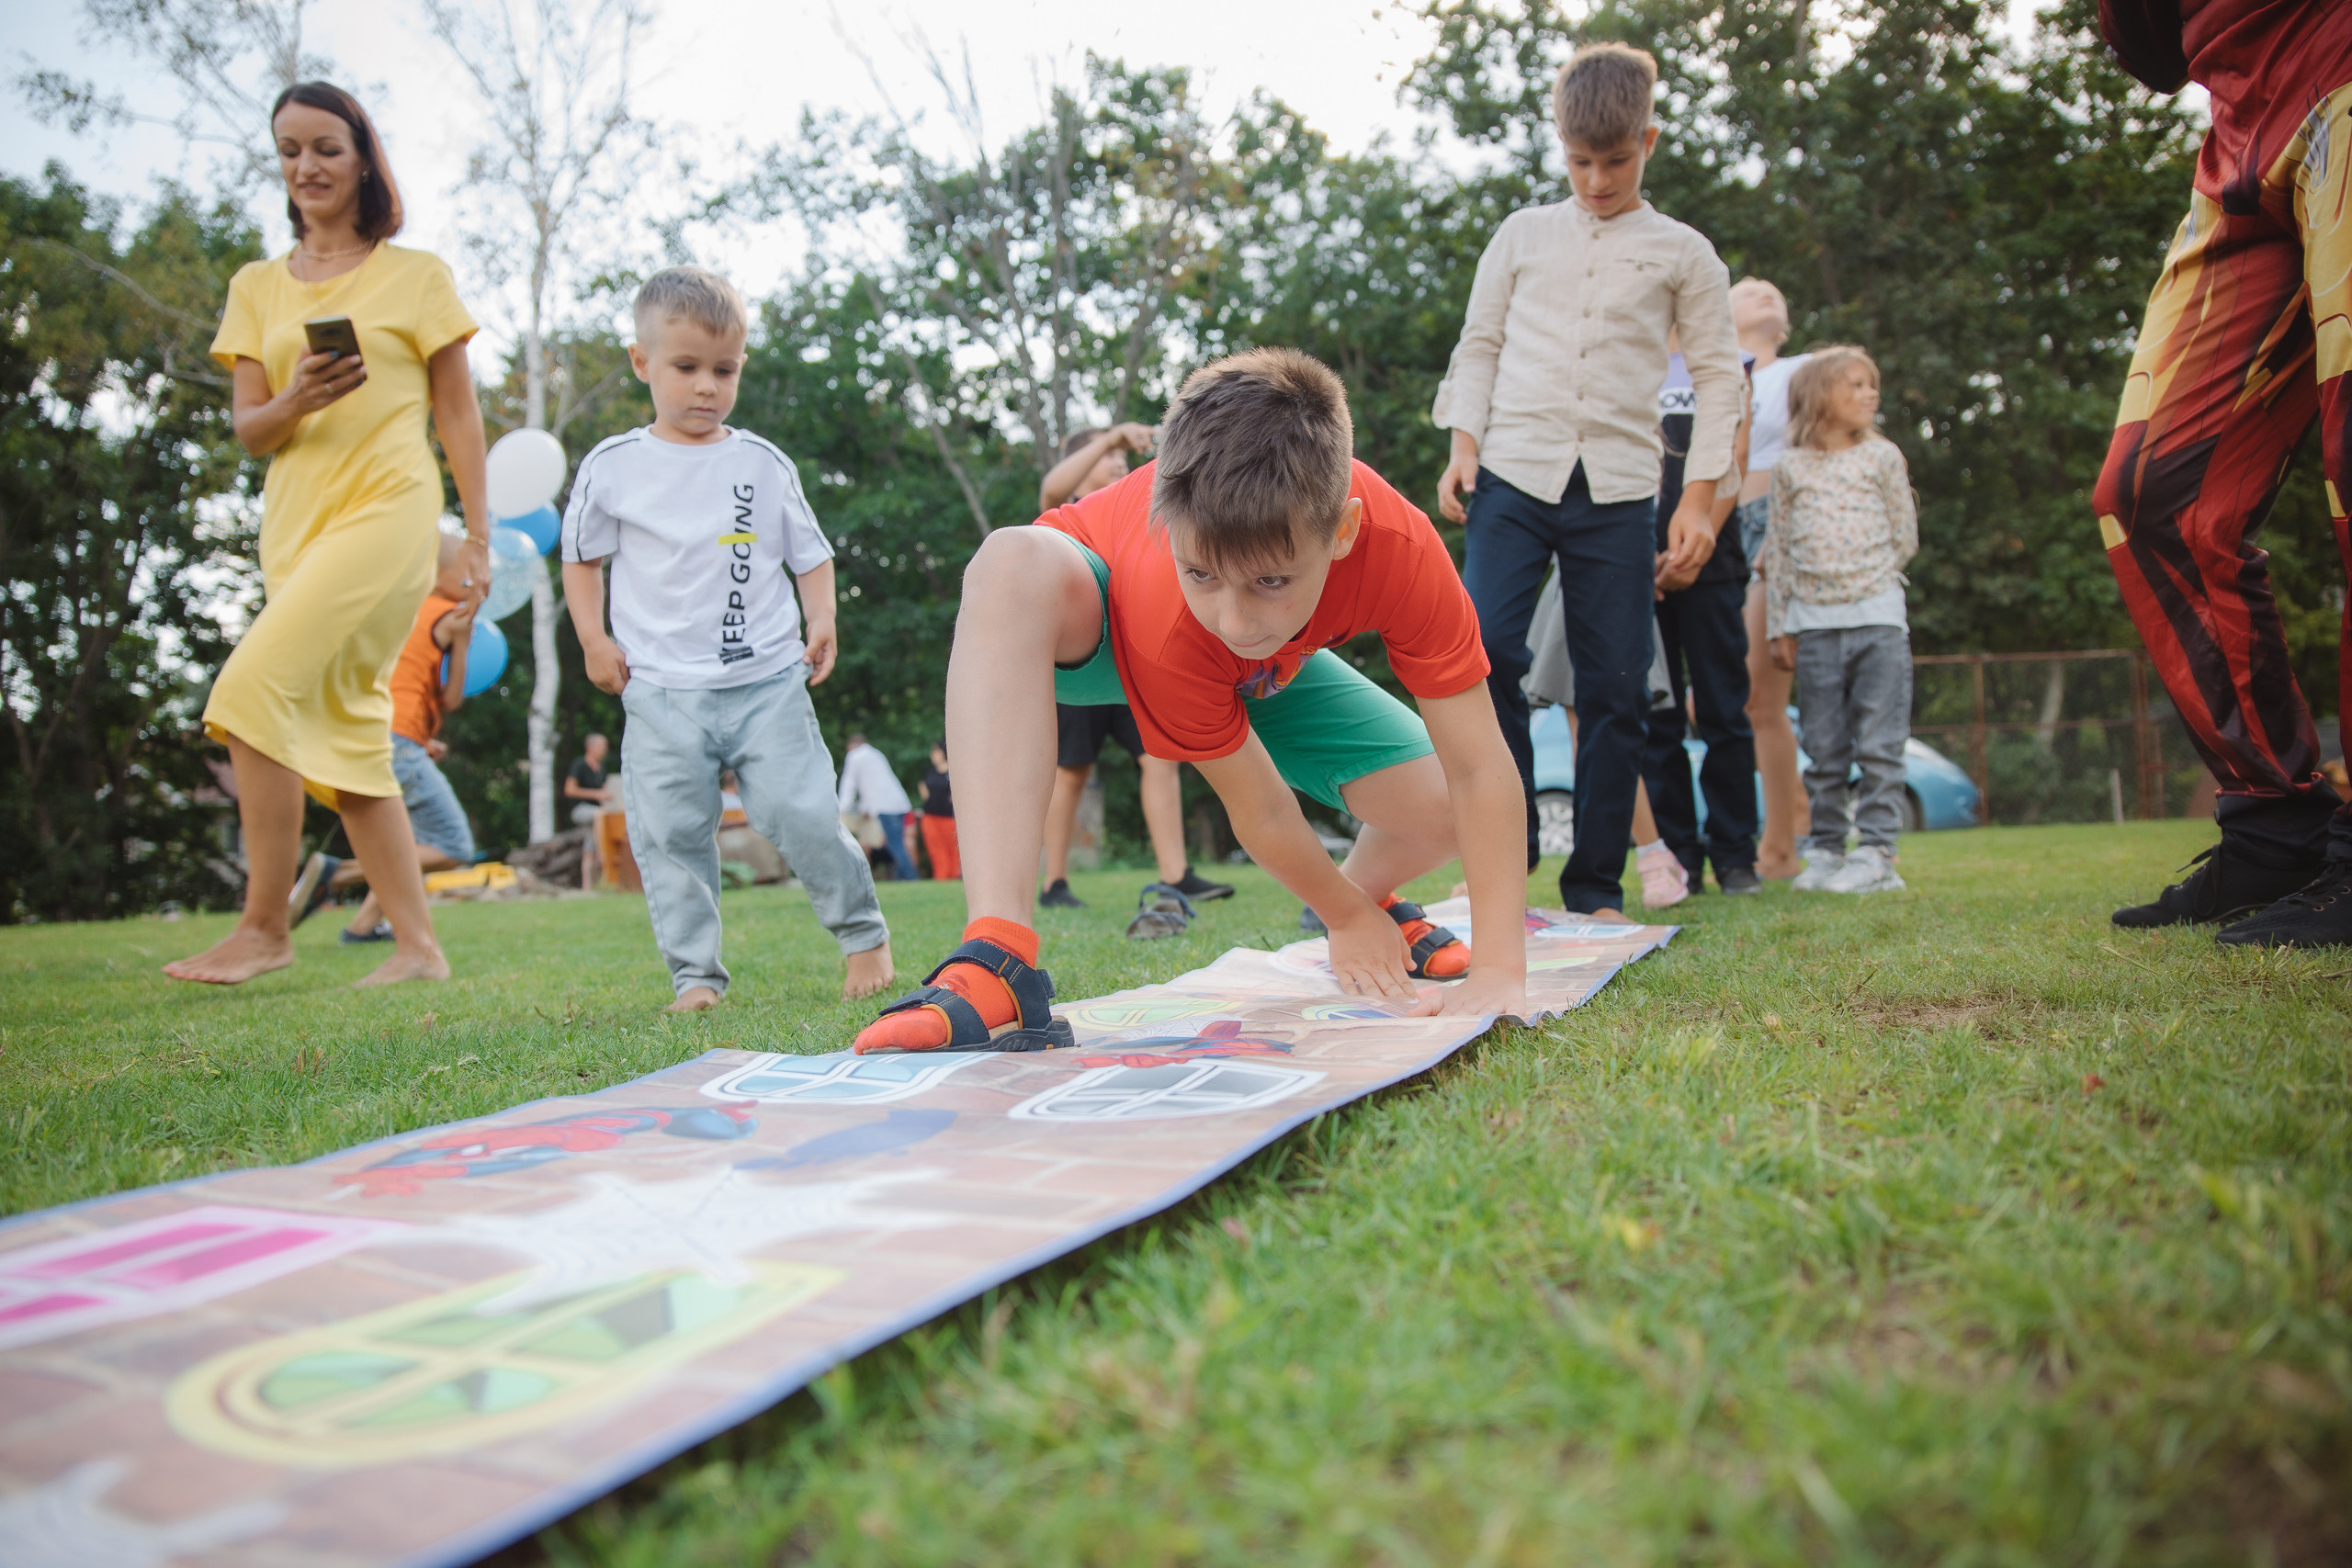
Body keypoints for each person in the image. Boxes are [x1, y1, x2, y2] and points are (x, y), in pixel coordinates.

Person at [851, 347, 1528, 1056]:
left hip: (1276, 666)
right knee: (1009, 561)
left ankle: (1368, 898)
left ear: (1344, 532)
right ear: (1169, 527)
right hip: (1107, 630)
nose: (1233, 619)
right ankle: (997, 956)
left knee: (1445, 809)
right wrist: (1343, 913)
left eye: (1270, 580)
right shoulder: (1174, 606)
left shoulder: (1402, 550)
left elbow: (1480, 769)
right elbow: (1260, 809)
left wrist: (1499, 969)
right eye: (1202, 570)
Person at [165, 81, 487, 989]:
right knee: (352, 738)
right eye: (288, 150)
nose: (305, 166)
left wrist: (482, 538)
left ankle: (265, 925)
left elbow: (458, 416)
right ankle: (420, 953)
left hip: (389, 511)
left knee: (248, 690)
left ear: (362, 158)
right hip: (294, 523)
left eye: (324, 148)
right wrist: (295, 396)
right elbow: (249, 429)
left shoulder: (415, 275)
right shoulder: (256, 287)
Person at [1433, 42, 1742, 919]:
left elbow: (1721, 379)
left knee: (1615, 689)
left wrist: (1700, 497)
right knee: (1486, 652)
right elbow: (1480, 343)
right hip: (1512, 478)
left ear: (1649, 139)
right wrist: (1464, 445)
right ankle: (1506, 848)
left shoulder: (1685, 253)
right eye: (1580, 161)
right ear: (1559, 145)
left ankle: (1596, 884)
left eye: (1616, 160)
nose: (1598, 179)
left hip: (1616, 492)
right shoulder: (1522, 235)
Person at [560, 265, 892, 1011]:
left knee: (803, 813)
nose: (706, 386)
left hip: (766, 680)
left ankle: (863, 934)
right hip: (660, 690)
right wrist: (592, 638)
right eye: (686, 368)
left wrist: (823, 618)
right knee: (671, 835)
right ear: (642, 364)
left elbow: (810, 554)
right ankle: (696, 976)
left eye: (724, 370)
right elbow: (580, 558)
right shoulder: (613, 469)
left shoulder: (760, 464)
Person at [2095, 0, 2352, 948]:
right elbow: (2154, 58)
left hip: (2337, 58)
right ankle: (2274, 825)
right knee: (2149, 495)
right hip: (2238, 120)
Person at [1035, 425, 1234, 914]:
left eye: (1123, 457)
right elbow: (1052, 490)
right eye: (1108, 457)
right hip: (1081, 656)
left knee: (1159, 757)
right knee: (1072, 771)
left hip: (1134, 652)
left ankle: (1177, 875)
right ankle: (1054, 882)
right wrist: (1108, 439)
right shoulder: (1067, 507)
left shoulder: (1141, 506)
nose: (1119, 461)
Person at [1766, 347, 1917, 896]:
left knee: (1879, 742)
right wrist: (1779, 625)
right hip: (1814, 628)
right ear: (1818, 396)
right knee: (1824, 747)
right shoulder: (1790, 468)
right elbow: (1778, 550)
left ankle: (1877, 852)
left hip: (1878, 620)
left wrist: (1862, 581)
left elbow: (1905, 536)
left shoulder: (1882, 459)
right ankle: (1827, 851)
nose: (1868, 394)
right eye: (1854, 384)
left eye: (1871, 384)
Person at [304, 532, 481, 942]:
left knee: (414, 839)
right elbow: (453, 697)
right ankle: (342, 872)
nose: (474, 585)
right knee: (453, 846)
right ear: (444, 576)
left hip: (375, 733)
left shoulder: (402, 610)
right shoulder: (455, 618)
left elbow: (400, 683)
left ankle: (363, 926)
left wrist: (419, 740)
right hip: (398, 741)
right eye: (468, 576)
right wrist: (465, 640)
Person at [1643, 339, 1759, 897]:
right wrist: (1644, 557)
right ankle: (1679, 858)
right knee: (1657, 715)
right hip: (1635, 564)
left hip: (1713, 562)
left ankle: (1737, 857)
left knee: (1724, 711)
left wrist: (1698, 542)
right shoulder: (1625, 350)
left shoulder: (1729, 359)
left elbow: (1735, 457)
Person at [1729, 276, 1814, 880]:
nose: (1764, 290)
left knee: (1762, 696)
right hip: (1714, 526)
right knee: (1723, 695)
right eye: (1749, 287)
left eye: (1773, 291)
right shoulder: (1702, 374)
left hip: (1774, 530)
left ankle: (1781, 848)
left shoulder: (1806, 372)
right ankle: (1800, 811)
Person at [839, 733, 916, 883]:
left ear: (852, 746)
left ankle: (911, 876)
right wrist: (865, 807)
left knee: (895, 845)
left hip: (885, 806)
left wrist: (842, 809)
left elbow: (849, 784)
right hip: (900, 803)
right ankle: (900, 878)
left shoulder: (855, 756)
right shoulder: (876, 754)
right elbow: (872, 784)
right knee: (898, 843)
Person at [565, 732, 616, 887]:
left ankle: (588, 887)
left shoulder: (601, 768)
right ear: (590, 747)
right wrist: (596, 794)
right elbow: (569, 790)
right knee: (600, 815)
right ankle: (603, 853)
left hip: (597, 815)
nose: (604, 750)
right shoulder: (579, 765)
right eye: (601, 746)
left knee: (589, 847)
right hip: (581, 810)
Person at [918, 741, 958, 880]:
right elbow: (923, 789)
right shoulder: (929, 771)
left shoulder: (953, 771)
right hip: (930, 816)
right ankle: (940, 876)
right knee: (935, 848)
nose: (932, 755)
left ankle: (953, 876)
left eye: (936, 752)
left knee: (953, 848)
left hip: (949, 817)